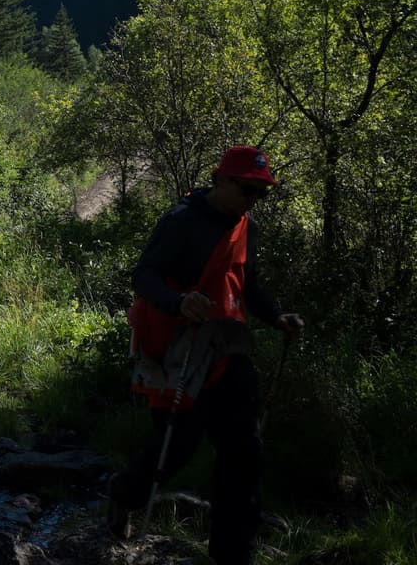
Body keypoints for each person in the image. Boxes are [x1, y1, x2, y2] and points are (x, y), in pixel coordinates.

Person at [107, 146, 304, 565]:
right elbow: (144, 275)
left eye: (261, 192)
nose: (253, 198)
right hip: (177, 351)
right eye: (248, 189)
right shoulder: (181, 221)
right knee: (177, 446)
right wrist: (178, 301)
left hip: (227, 347)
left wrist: (275, 317)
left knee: (245, 452)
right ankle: (124, 495)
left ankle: (233, 555)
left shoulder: (246, 227)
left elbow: (246, 283)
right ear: (220, 179)